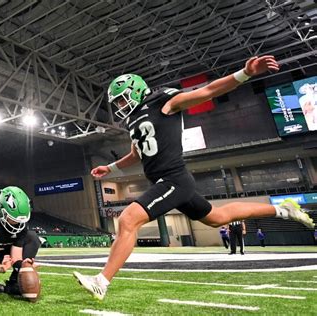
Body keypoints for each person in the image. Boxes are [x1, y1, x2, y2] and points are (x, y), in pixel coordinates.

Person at [73, 55, 315, 301]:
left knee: (127, 220)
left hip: (173, 179)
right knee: (218, 217)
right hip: (166, 181)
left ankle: (101, 281)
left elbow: (208, 91)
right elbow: (137, 153)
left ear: (137, 91)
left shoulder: (164, 102)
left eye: (124, 98)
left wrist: (246, 73)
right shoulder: (133, 120)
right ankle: (282, 210)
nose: (121, 105)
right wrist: (110, 168)